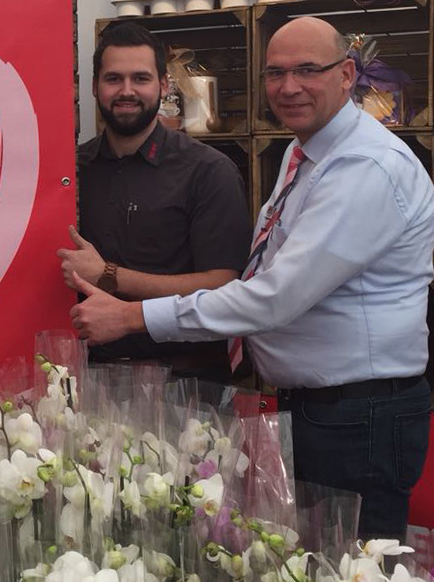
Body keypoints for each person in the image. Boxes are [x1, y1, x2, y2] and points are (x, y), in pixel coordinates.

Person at [67, 16, 434, 538]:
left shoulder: (364, 167)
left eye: (307, 70)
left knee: (355, 567)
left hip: (358, 415)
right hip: (322, 408)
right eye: (275, 73)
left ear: (347, 74)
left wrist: (130, 314)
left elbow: (270, 297)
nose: (289, 86)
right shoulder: (305, 154)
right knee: (315, 563)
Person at [58, 22, 251, 382]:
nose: (126, 91)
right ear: (95, 86)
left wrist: (110, 276)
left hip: (189, 385)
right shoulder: (71, 172)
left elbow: (223, 286)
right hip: (91, 380)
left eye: (140, 78)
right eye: (113, 79)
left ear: (163, 85)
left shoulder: (209, 171)